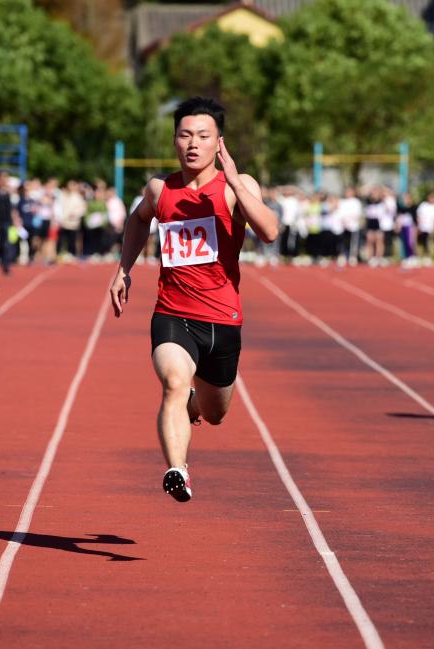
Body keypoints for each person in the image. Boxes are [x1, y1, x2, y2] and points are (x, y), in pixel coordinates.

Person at [109, 97, 278, 502]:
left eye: (203, 136)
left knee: (215, 412)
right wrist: (124, 269)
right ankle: (177, 470)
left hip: (222, 319)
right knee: (173, 382)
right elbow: (138, 220)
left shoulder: (238, 187)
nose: (193, 144)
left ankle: (194, 405)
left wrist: (235, 183)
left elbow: (270, 232)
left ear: (219, 143)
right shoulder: (160, 189)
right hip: (172, 313)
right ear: (174, 140)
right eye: (185, 135)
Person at [415, 191, 434, 266]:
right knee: (421, 243)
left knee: (429, 243)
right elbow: (418, 216)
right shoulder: (423, 205)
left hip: (430, 228)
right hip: (422, 228)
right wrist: (418, 226)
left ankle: (428, 257)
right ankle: (420, 257)